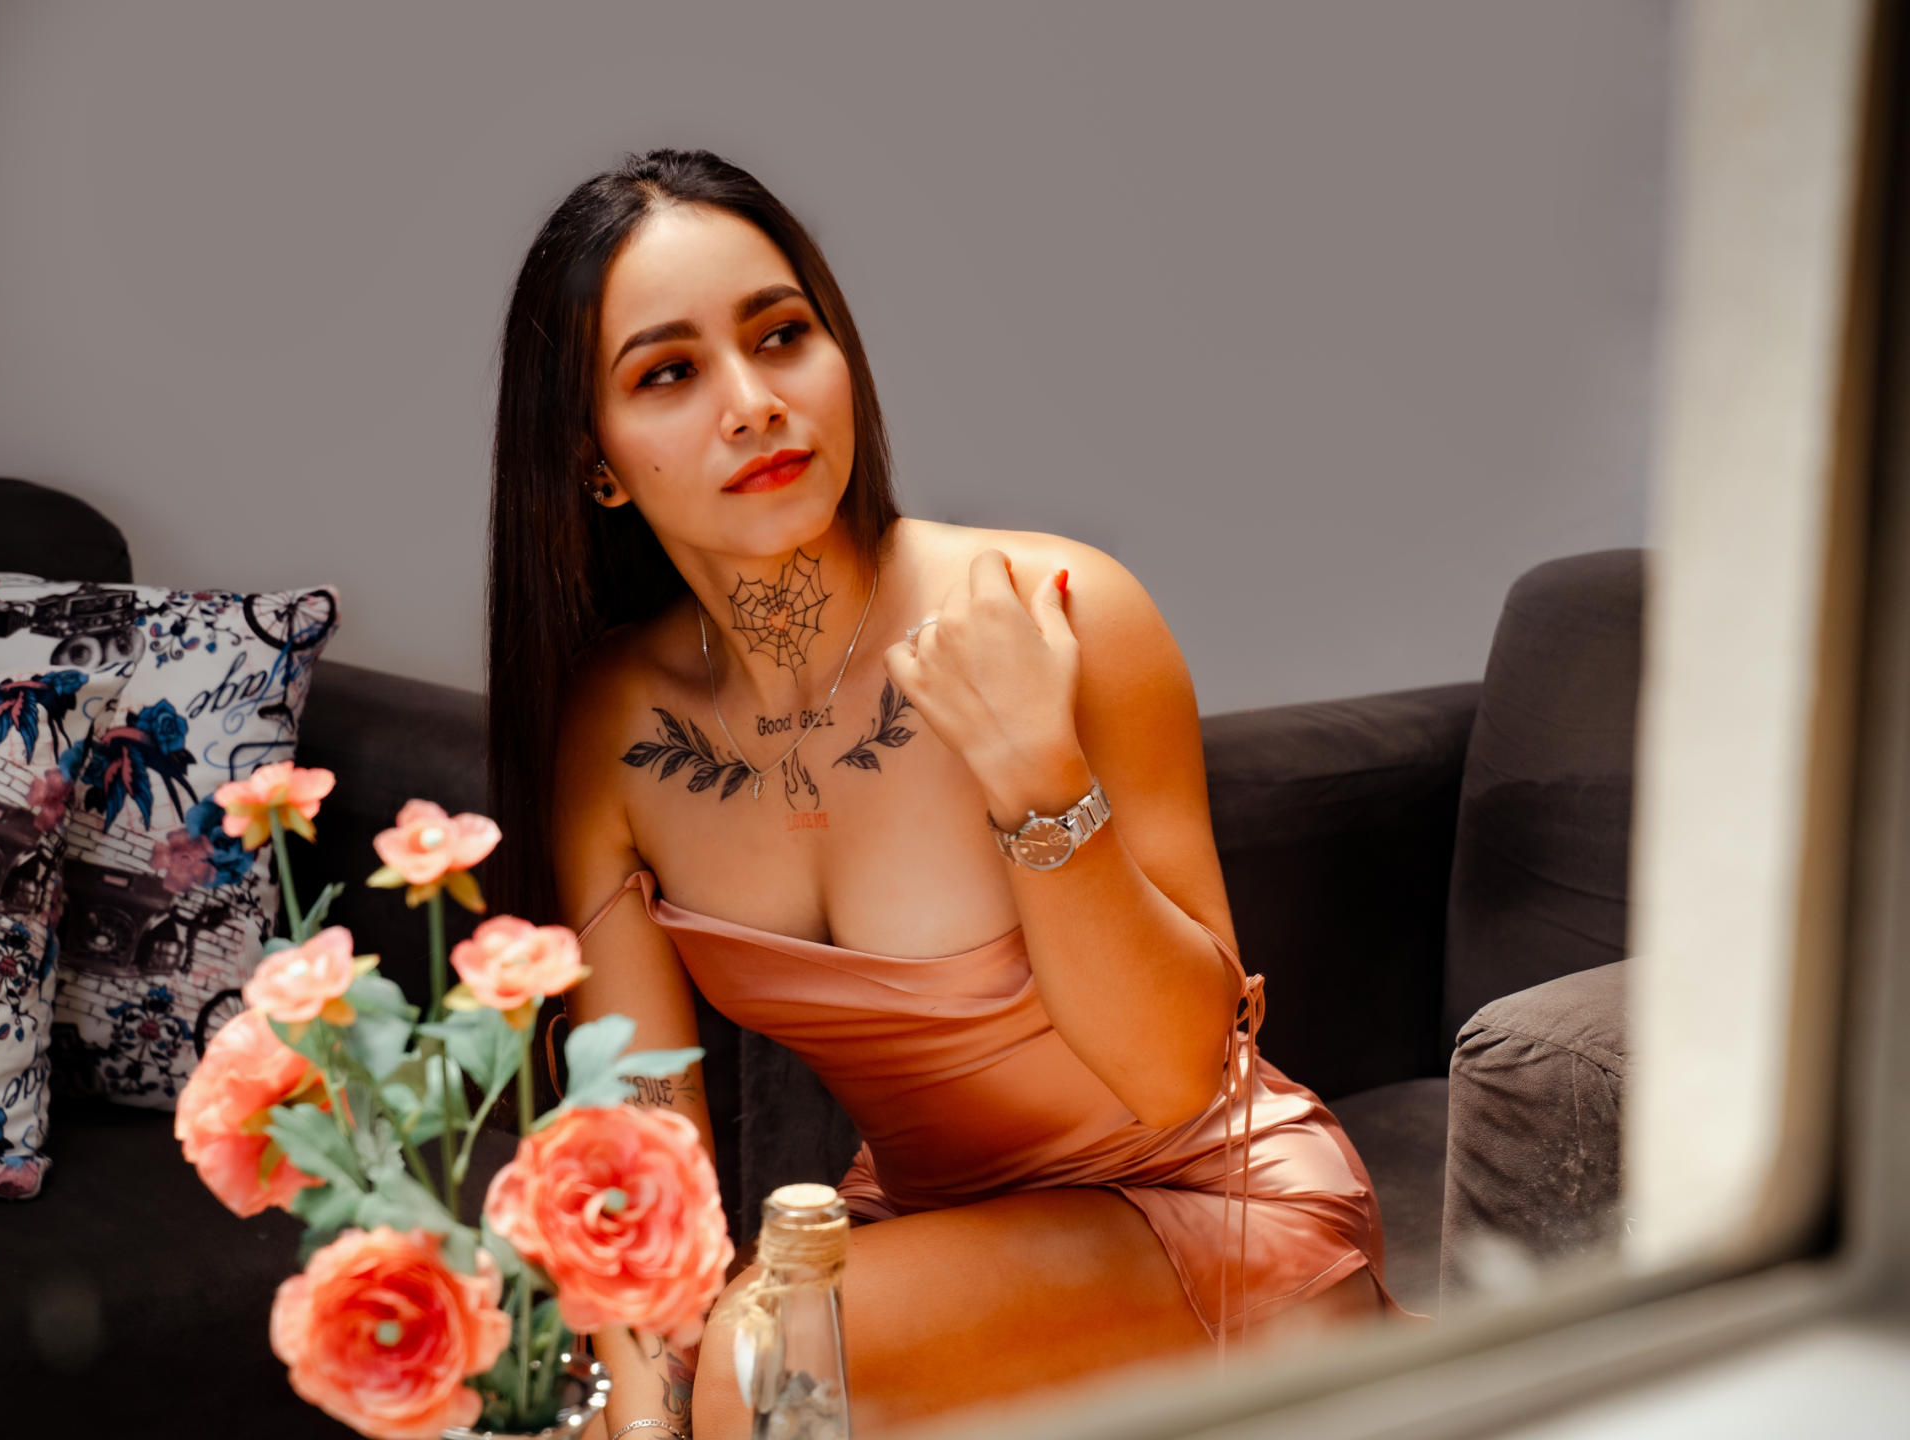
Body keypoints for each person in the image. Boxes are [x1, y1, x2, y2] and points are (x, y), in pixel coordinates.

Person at [487, 148, 1406, 1440]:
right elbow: (646, 1174)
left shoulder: (1059, 612)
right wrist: (638, 1428)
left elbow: (1176, 1077)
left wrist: (1037, 779)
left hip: (1213, 1218)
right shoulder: (613, 730)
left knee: (766, 1355)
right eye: (669, 373)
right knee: (671, 1397)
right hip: (928, 1258)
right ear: (595, 459)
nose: (753, 403)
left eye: (781, 335)